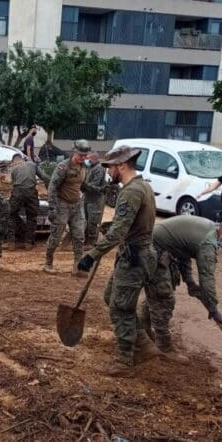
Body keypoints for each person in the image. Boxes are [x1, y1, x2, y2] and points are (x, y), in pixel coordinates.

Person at [77, 145, 157, 377]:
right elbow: (130, 224)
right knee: (111, 296)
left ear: (121, 165)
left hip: (134, 259)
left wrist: (91, 256)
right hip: (134, 255)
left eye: (110, 166)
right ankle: (143, 343)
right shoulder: (142, 186)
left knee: (120, 307)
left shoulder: (131, 192)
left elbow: (119, 233)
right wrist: (110, 227)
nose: (108, 171)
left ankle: (124, 360)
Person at [139, 216, 222, 358]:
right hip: (152, 249)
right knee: (164, 296)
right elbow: (207, 280)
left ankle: (142, 329)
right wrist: (214, 311)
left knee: (159, 292)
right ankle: (164, 347)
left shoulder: (210, 228)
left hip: (157, 246)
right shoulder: (208, 242)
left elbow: (184, 252)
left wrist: (189, 282)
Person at [43, 139, 91, 276]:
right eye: (80, 155)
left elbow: (81, 185)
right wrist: (52, 207)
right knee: (57, 235)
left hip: (77, 205)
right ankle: (48, 262)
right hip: (62, 204)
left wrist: (97, 189)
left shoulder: (83, 167)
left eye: (85, 155)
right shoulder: (63, 167)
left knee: (79, 235)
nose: (83, 158)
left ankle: (77, 266)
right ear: (73, 152)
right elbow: (52, 187)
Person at [9, 153, 50, 249]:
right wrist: (50, 189)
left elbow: (14, 184)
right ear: (23, 159)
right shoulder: (32, 164)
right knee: (31, 217)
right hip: (31, 192)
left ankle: (11, 243)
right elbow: (44, 176)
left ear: (14, 161)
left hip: (17, 192)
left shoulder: (13, 169)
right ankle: (28, 243)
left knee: (12, 216)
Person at [82, 152, 107, 247]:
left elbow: (94, 185)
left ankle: (91, 242)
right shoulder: (90, 167)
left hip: (95, 199)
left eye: (88, 159)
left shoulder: (99, 169)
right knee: (85, 220)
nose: (86, 161)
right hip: (87, 197)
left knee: (92, 221)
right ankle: (85, 240)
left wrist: (84, 185)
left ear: (94, 159)